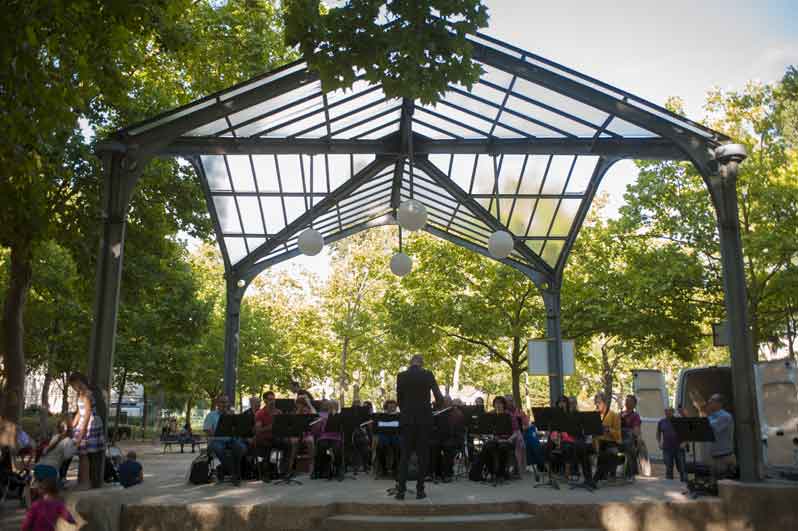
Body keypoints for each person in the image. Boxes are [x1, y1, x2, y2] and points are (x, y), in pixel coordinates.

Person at [395, 354, 444, 500]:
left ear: (411, 363)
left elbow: (399, 399)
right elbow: (439, 397)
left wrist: (406, 411)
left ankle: (401, 491)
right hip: (424, 420)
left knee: (405, 456)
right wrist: (432, 408)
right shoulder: (427, 374)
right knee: (423, 456)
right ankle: (420, 490)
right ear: (421, 363)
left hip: (407, 420)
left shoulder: (401, 376)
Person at [68, 372, 106, 489]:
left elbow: (88, 412)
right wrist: (72, 425)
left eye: (74, 385)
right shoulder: (81, 394)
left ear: (79, 382)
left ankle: (87, 482)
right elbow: (80, 411)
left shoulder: (86, 394)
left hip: (90, 424)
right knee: (83, 455)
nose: (74, 388)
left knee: (85, 455)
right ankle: (86, 482)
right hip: (85, 423)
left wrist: (83, 431)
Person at [203, 395, 246, 485]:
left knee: (241, 447)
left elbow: (238, 429)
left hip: (230, 439)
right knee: (219, 449)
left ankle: (226, 469)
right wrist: (215, 432)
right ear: (217, 404)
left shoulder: (232, 415)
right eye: (222, 402)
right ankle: (234, 474)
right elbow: (207, 431)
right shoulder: (211, 415)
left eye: (226, 402)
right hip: (216, 440)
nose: (224, 404)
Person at [693, 392, 736, 478]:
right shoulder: (712, 416)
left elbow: (709, 426)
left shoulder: (725, 416)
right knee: (714, 485)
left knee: (723, 486)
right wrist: (700, 410)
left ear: (719, 403)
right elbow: (702, 426)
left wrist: (701, 409)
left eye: (711, 400)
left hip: (723, 458)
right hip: (715, 457)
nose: (709, 402)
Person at [429, 397, 464, 482]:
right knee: (432, 445)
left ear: (451, 403)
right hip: (440, 437)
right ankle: (433, 473)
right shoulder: (438, 412)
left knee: (448, 447)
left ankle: (447, 474)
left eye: (448, 402)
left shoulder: (457, 413)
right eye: (444, 402)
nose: (445, 404)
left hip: (453, 438)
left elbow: (459, 430)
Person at [482, 396, 516, 484]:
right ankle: (491, 472)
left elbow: (516, 432)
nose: (498, 405)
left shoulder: (509, 415)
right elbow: (486, 430)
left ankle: (501, 474)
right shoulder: (490, 415)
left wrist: (509, 440)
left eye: (500, 403)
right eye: (496, 403)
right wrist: (490, 437)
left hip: (507, 440)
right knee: (487, 446)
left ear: (504, 405)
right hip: (494, 439)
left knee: (503, 448)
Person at [286, 393, 316, 476]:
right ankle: (291, 467)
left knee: (310, 441)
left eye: (303, 403)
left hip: (307, 433)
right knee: (294, 442)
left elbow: (315, 415)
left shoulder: (309, 409)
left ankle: (312, 465)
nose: (302, 405)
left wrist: (309, 404)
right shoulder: (295, 410)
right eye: (299, 403)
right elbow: (294, 421)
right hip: (296, 434)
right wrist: (299, 409)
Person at [314, 400, 343, 479]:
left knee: (336, 449)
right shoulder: (321, 415)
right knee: (323, 446)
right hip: (324, 437)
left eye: (335, 407)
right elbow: (316, 430)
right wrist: (319, 423)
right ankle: (324, 469)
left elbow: (343, 428)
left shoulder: (340, 416)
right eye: (331, 406)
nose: (333, 408)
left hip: (336, 437)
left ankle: (338, 469)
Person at [657, 407, 686, 481]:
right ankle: (669, 484)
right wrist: (659, 442)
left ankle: (684, 483)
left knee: (682, 468)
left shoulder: (678, 421)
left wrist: (684, 442)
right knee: (668, 467)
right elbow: (658, 433)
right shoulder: (661, 422)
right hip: (667, 448)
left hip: (679, 448)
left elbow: (686, 432)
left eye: (669, 411)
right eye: (666, 411)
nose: (667, 413)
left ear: (673, 412)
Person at [375, 399, 400, 478]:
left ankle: (395, 468)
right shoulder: (380, 415)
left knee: (399, 447)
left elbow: (401, 427)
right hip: (384, 435)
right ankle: (383, 469)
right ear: (386, 407)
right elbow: (377, 427)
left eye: (394, 406)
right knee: (380, 447)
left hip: (396, 435)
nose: (392, 408)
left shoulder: (399, 415)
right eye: (390, 406)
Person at [620, 395, 642, 477]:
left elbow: (636, 431)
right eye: (626, 400)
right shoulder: (620, 414)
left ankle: (630, 473)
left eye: (629, 401)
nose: (626, 402)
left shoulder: (635, 416)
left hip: (628, 439)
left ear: (634, 404)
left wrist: (635, 435)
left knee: (629, 444)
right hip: (618, 437)